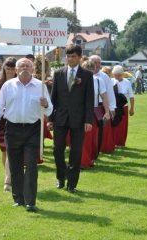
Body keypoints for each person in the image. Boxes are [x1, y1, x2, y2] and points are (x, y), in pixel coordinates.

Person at [0, 58, 53, 212]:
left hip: (33, 129)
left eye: (28, 66)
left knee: (31, 165)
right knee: (15, 165)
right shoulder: (8, 86)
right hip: (12, 129)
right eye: (21, 66)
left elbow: (50, 110)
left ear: (33, 69)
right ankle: (18, 198)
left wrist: (45, 104)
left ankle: (30, 201)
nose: (25, 68)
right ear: (16, 70)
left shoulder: (40, 86)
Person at [47, 44, 94, 193]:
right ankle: (61, 177)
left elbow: (89, 99)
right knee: (57, 149)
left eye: (73, 56)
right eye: (68, 56)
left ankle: (72, 183)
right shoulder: (59, 73)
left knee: (76, 151)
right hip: (60, 117)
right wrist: (50, 118)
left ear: (80, 58)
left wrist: (88, 120)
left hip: (78, 119)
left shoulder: (86, 75)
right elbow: (53, 98)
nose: (70, 59)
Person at [0, 57, 17, 192]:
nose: (11, 71)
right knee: (4, 151)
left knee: (9, 149)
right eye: (8, 68)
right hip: (1, 120)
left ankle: (8, 180)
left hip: (14, 120)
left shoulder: (20, 82)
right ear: (4, 69)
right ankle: (9, 174)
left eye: (13, 68)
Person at [80, 61, 110, 168]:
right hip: (79, 111)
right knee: (82, 138)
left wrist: (107, 111)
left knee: (92, 138)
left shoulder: (98, 81)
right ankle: (82, 161)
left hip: (93, 111)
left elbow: (105, 97)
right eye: (86, 69)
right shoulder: (77, 80)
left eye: (90, 69)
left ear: (94, 70)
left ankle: (90, 158)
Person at [89, 55, 116, 154]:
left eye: (99, 63)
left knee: (101, 128)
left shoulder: (104, 77)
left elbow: (110, 93)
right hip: (90, 105)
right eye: (95, 62)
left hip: (101, 106)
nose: (97, 65)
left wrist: (111, 108)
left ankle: (101, 148)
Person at [111, 65, 135, 147]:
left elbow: (131, 96)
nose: (117, 76)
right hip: (113, 107)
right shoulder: (110, 81)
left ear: (122, 74)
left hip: (123, 107)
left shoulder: (127, 82)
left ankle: (121, 143)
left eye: (119, 74)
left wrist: (132, 108)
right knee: (113, 125)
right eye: (115, 74)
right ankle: (112, 142)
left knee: (122, 126)